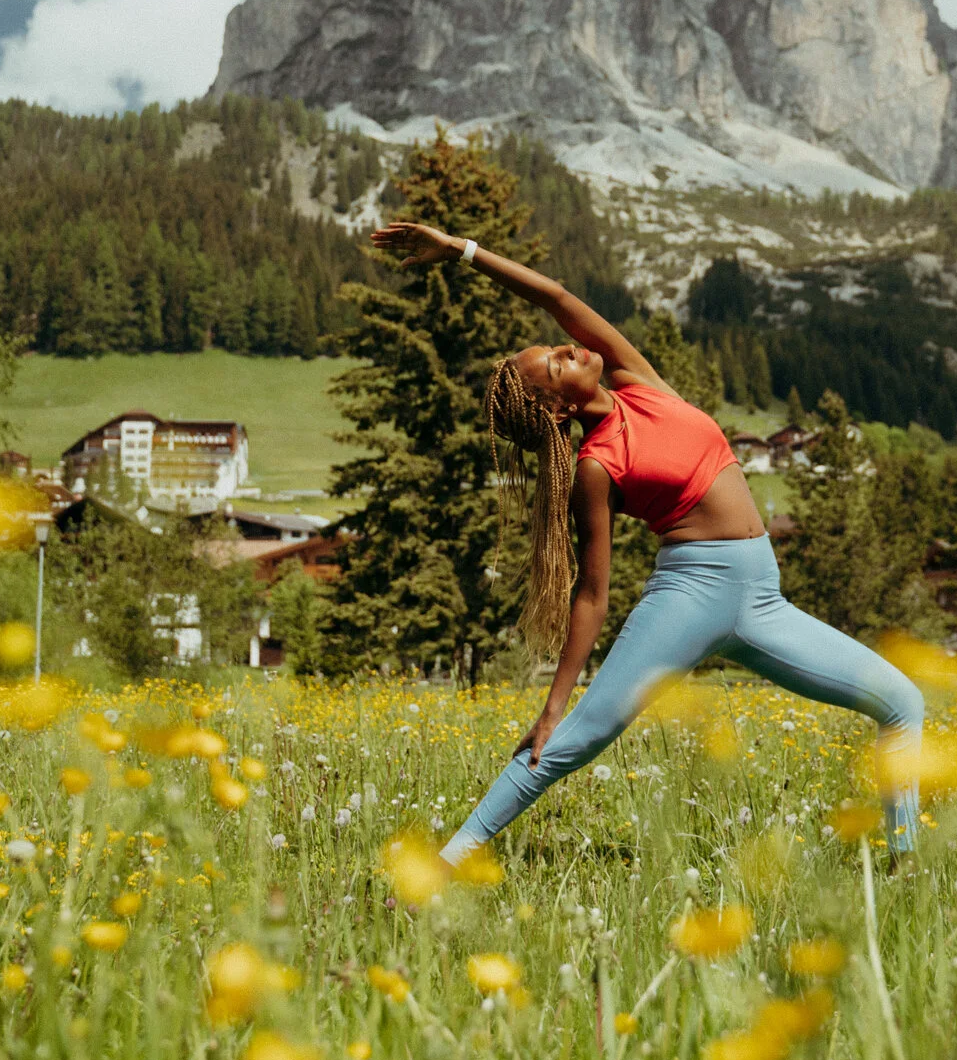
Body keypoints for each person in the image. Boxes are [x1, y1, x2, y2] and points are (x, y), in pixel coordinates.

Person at [371, 218, 924, 864]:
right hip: (690, 596)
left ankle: (902, 864)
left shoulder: (636, 381)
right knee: (575, 739)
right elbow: (592, 594)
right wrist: (554, 703)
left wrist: (461, 251)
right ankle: (445, 864)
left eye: (557, 346)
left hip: (762, 600)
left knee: (901, 701)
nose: (569, 348)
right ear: (555, 411)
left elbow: (553, 295)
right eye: (555, 362)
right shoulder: (595, 466)